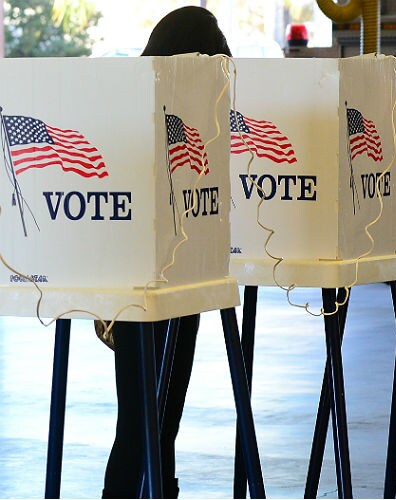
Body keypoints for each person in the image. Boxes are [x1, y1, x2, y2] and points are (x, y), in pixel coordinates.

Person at [101, 7, 231, 499]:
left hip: (154, 279)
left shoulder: (137, 108)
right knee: (150, 421)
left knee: (146, 421)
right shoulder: (165, 115)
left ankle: (157, 488)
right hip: (165, 280)